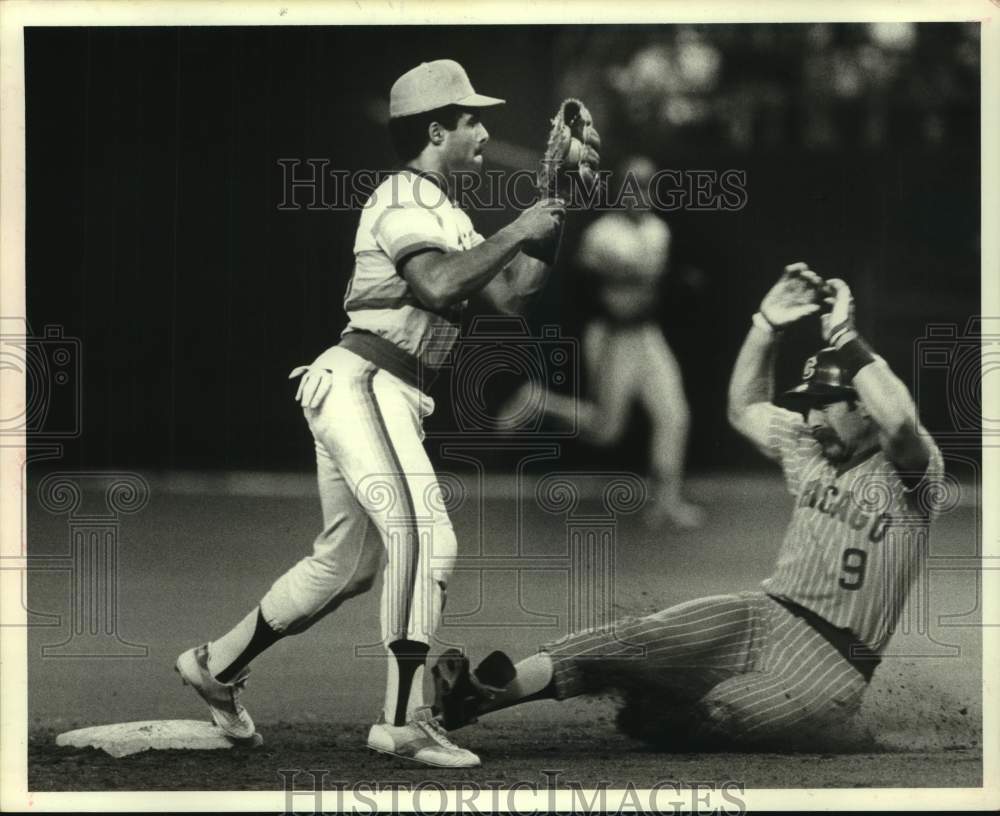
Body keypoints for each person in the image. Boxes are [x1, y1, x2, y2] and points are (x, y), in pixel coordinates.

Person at [175, 59, 573, 768]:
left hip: (377, 391)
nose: (483, 129)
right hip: (366, 382)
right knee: (425, 535)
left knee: (344, 566)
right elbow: (438, 280)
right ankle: (402, 722)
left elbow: (513, 292)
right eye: (471, 118)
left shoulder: (446, 209)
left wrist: (557, 204)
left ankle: (217, 665)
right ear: (435, 129)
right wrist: (518, 226)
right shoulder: (402, 200)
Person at [434, 263, 945, 749]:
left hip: (831, 662)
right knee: (628, 639)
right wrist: (764, 326)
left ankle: (686, 713)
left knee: (720, 714)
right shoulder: (810, 445)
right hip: (760, 615)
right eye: (807, 401)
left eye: (824, 401)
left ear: (862, 406)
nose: (810, 414)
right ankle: (481, 694)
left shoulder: (910, 472)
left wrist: (845, 337)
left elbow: (900, 422)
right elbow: (744, 407)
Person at [499, 156, 703, 529]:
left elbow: (650, 284)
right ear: (621, 190)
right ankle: (536, 400)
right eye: (634, 186)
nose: (641, 194)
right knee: (607, 430)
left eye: (647, 187)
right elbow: (596, 285)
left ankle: (666, 503)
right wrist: (631, 271)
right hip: (612, 337)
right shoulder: (602, 234)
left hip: (645, 335)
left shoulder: (659, 231)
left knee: (675, 416)